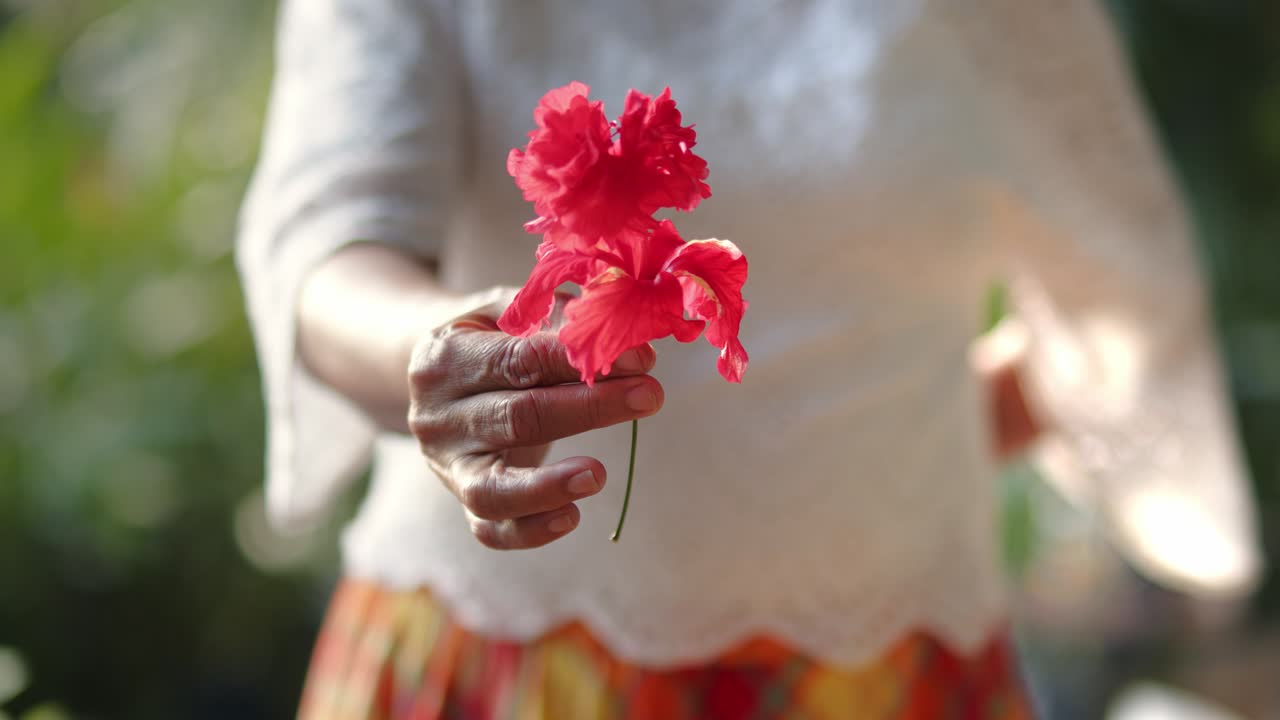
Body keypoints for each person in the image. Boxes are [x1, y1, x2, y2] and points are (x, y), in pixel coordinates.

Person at [235, 0, 1262, 717]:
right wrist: (439, 361)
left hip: (882, 662)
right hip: (504, 652)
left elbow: (1123, 302)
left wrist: (889, 450)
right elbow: (330, 242)